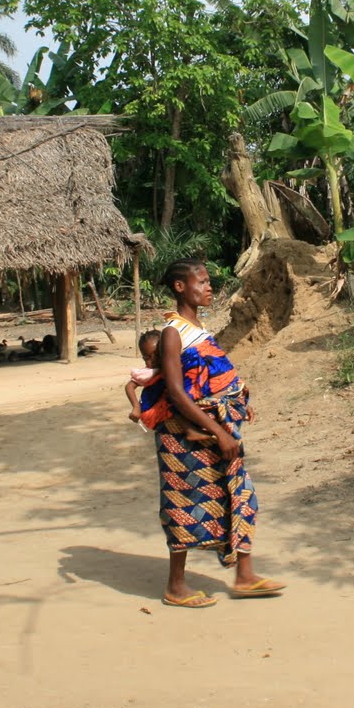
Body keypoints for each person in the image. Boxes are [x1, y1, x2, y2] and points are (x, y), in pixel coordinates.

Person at [150, 258, 284, 608]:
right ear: (180, 287)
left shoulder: (200, 329)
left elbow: (212, 376)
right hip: (184, 434)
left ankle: (244, 575)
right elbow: (177, 392)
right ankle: (175, 587)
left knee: (239, 492)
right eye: (202, 281)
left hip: (217, 426)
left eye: (209, 281)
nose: (209, 287)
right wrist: (217, 431)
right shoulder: (172, 333)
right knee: (186, 502)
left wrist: (238, 398)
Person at [125, 330, 212, 443]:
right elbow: (129, 386)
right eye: (147, 357)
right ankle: (190, 430)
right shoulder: (147, 372)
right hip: (151, 407)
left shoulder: (171, 365)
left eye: (157, 355)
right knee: (173, 398)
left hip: (163, 402)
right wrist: (136, 407)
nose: (153, 360)